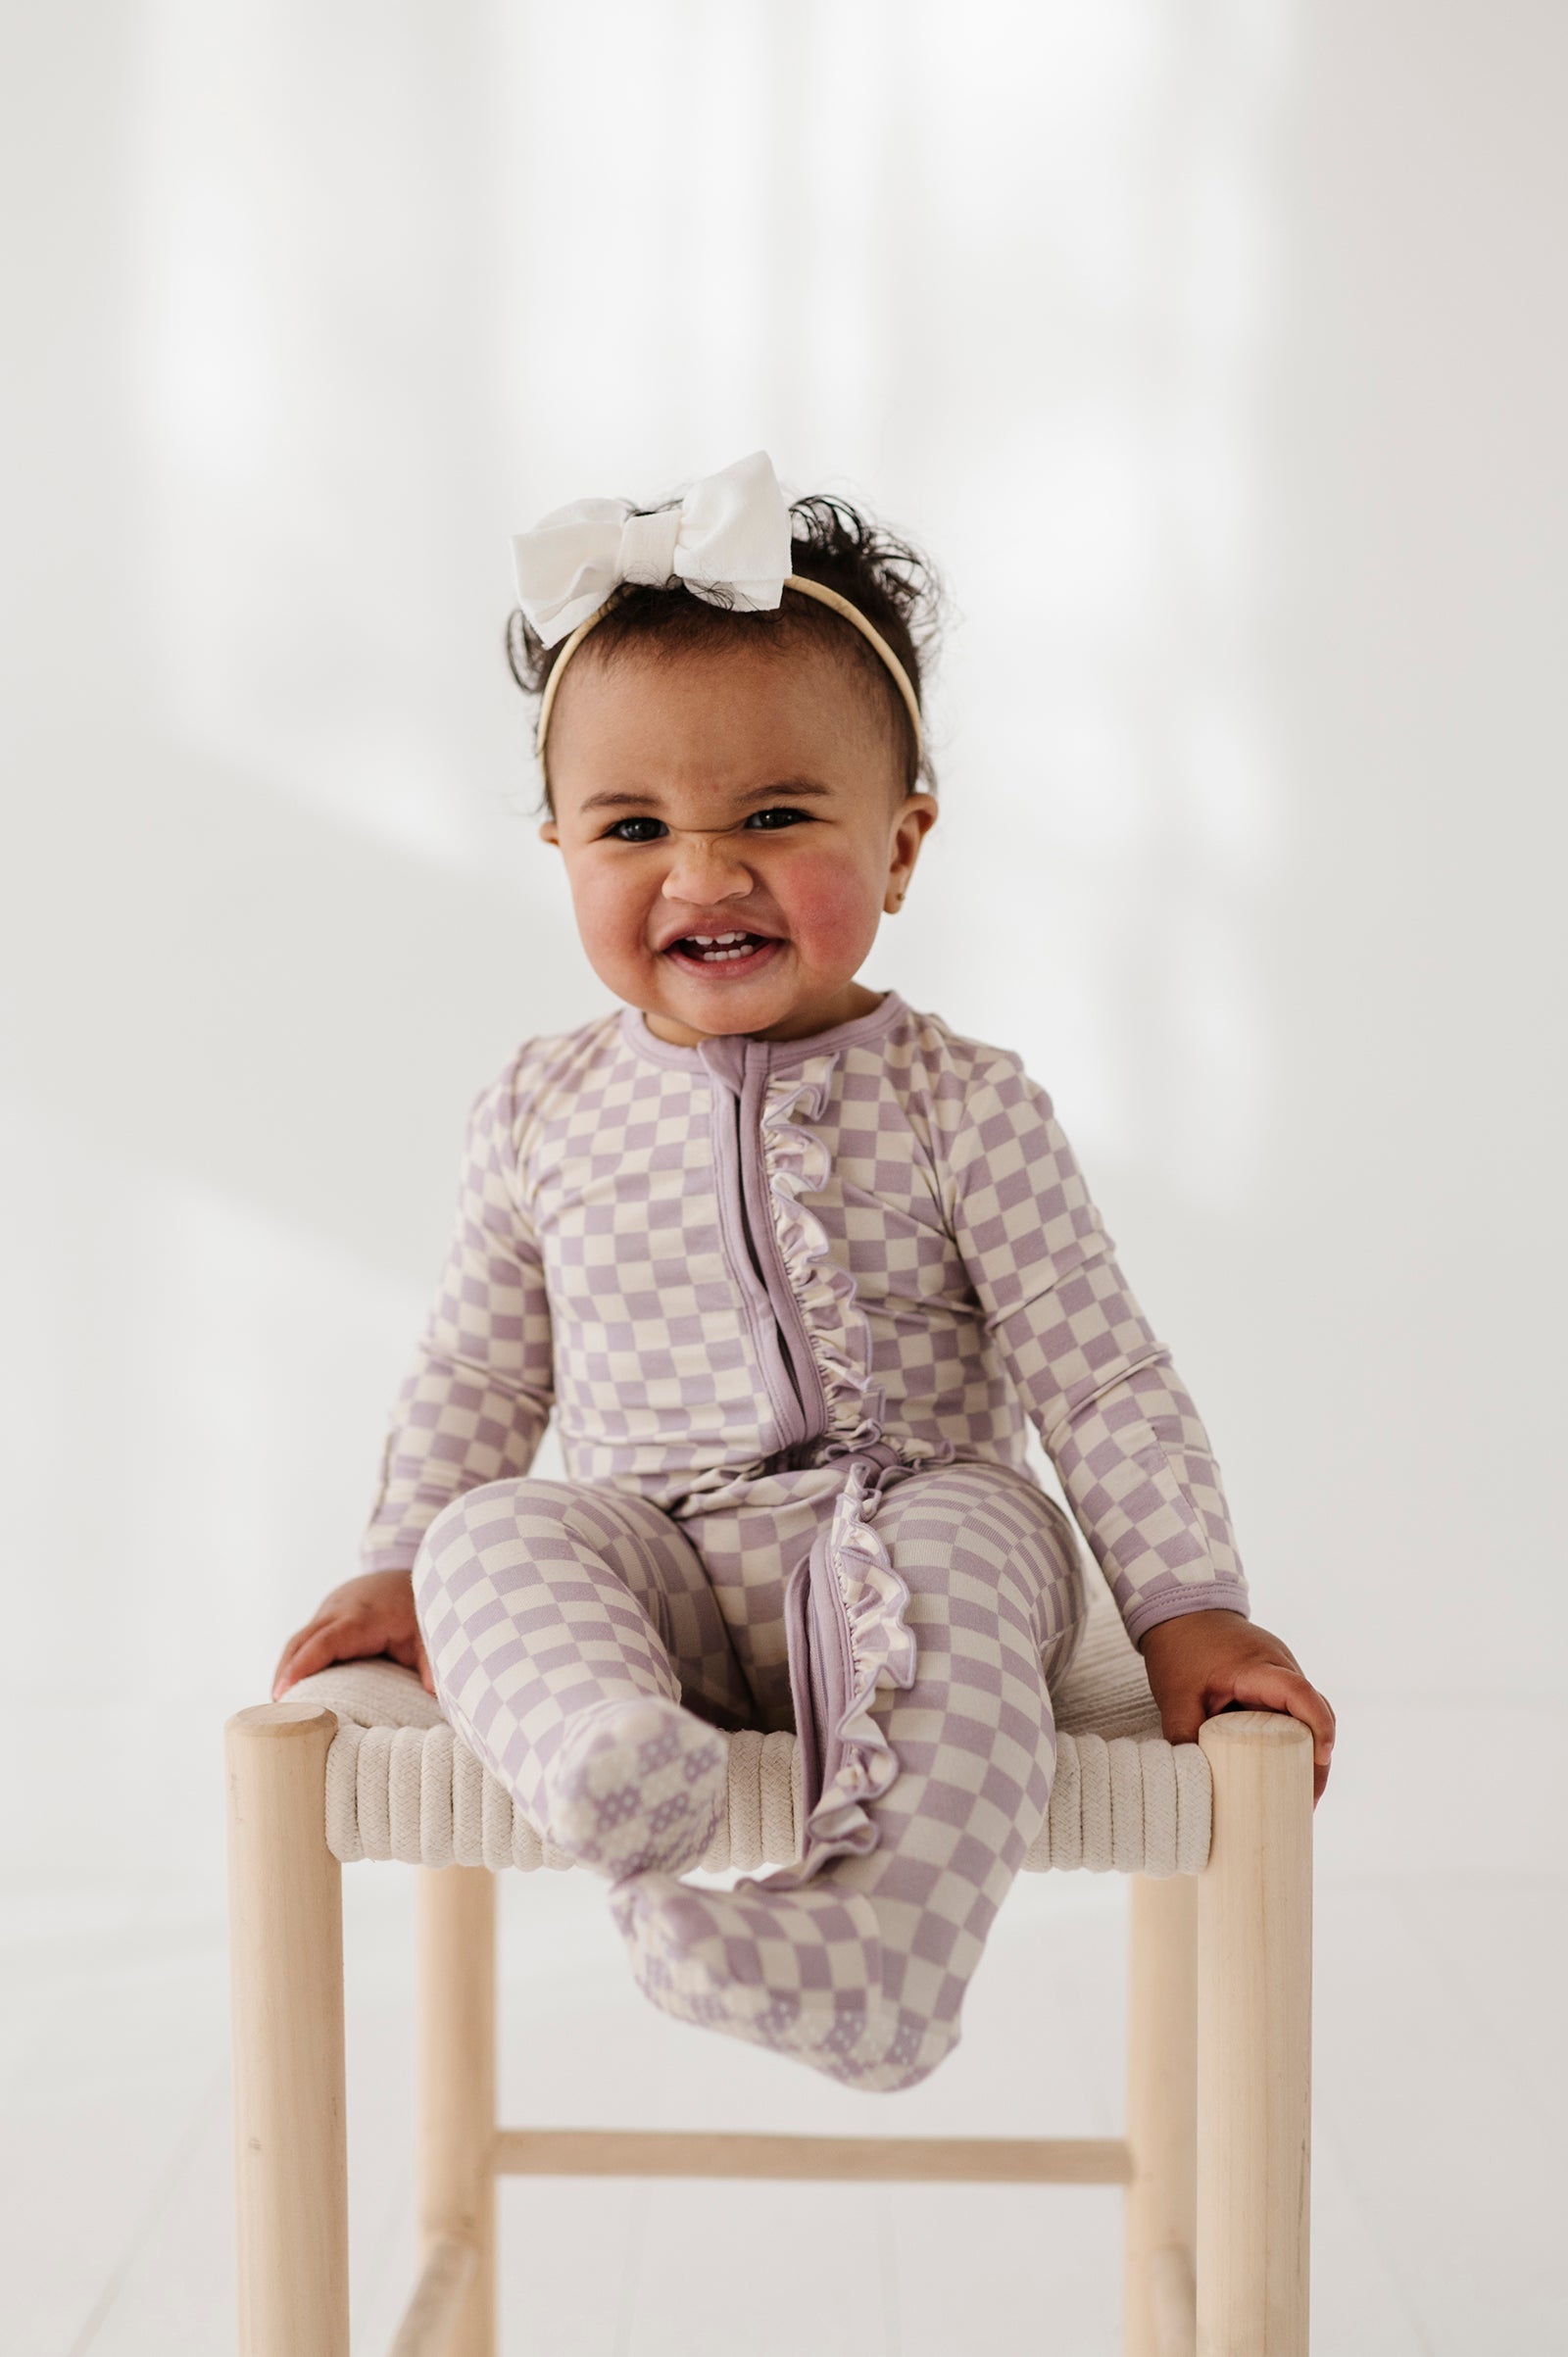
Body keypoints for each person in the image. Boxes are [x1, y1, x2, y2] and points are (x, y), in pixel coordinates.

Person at [273, 450, 1334, 2092]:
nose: (704, 874)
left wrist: (1190, 1607)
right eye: (634, 826)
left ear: (900, 846)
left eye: (774, 817)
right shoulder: (542, 1110)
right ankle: (612, 1752)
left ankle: (883, 1948)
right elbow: (481, 1369)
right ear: (560, 846)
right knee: (493, 1533)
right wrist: (401, 1555)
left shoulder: (963, 1104)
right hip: (660, 1576)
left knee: (976, 1524)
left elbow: (1096, 1367)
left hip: (914, 1545)